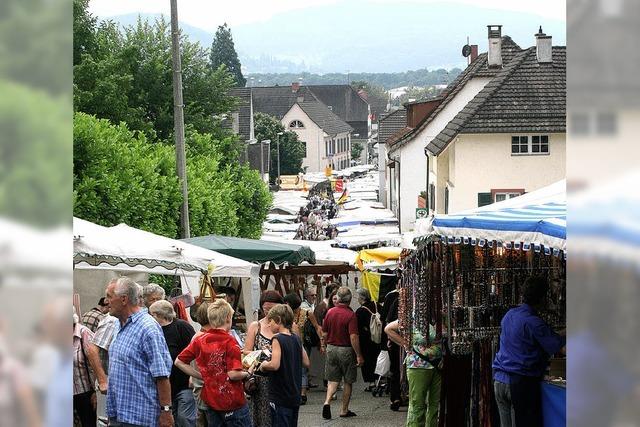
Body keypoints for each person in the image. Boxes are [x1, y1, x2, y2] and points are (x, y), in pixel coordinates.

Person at [492, 276, 565, 427]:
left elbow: (548, 336)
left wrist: (563, 332)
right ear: (542, 298)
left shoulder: (509, 315)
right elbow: (556, 344)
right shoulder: (534, 322)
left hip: (500, 380)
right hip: (518, 383)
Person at [105, 277, 174, 427]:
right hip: (118, 414)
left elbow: (162, 375)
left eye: (109, 296)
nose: (106, 301)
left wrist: (166, 412)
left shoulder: (148, 328)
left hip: (140, 417)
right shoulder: (119, 324)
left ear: (124, 299)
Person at [175, 299, 253, 427]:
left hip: (211, 401)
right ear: (228, 318)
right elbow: (233, 374)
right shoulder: (230, 342)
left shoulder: (199, 340)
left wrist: (201, 375)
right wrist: (247, 373)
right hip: (232, 401)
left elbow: (179, 362)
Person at [256, 304, 310, 427]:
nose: (269, 325)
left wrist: (264, 365)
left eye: (271, 321)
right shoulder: (296, 338)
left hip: (280, 394)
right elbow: (306, 362)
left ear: (279, 320)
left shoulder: (277, 339)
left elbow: (274, 365)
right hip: (294, 393)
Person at [385, 319, 442, 427]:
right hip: (418, 365)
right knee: (418, 404)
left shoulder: (439, 315)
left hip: (438, 365)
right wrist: (405, 344)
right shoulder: (413, 315)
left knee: (435, 405)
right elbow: (388, 329)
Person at [150, 300, 197, 427]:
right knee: (171, 420)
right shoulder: (153, 330)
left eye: (151, 314)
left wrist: (193, 375)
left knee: (185, 419)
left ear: (158, 315)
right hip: (165, 387)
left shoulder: (182, 327)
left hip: (184, 383)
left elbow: (195, 352)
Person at [321, 286, 364, 420]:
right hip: (346, 349)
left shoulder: (330, 312)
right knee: (348, 380)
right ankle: (344, 410)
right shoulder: (351, 315)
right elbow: (353, 337)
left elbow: (324, 332)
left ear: (338, 298)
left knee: (333, 379)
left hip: (331, 348)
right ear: (350, 300)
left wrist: (325, 344)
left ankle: (327, 401)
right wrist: (358, 354)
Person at [243, 290, 284, 427]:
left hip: (281, 378)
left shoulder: (287, 327)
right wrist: (264, 353)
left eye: (272, 309)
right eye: (265, 309)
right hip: (261, 381)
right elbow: (246, 352)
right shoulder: (256, 326)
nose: (268, 313)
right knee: (262, 417)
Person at [284, 292, 323, 404]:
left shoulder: (307, 313)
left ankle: (302, 394)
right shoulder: (286, 314)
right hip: (289, 344)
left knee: (302, 369)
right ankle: (295, 391)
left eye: (286, 302)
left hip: (303, 345)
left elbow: (317, 327)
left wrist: (321, 342)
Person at [355, 288, 381, 391]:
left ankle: (371, 382)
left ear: (361, 298)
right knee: (378, 357)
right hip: (379, 338)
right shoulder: (377, 305)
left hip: (366, 340)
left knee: (368, 360)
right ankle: (380, 378)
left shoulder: (360, 311)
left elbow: (358, 327)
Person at [381, 288, 402, 411]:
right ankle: (397, 396)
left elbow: (385, 318)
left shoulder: (393, 298)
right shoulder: (396, 298)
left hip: (395, 340)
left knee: (395, 369)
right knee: (396, 368)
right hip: (397, 339)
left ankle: (396, 397)